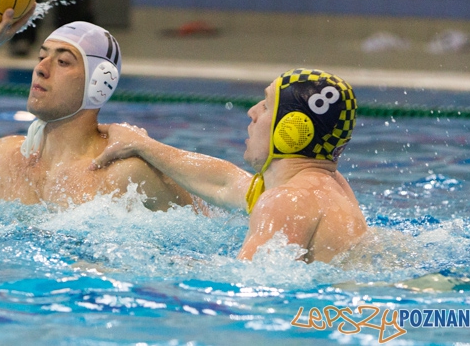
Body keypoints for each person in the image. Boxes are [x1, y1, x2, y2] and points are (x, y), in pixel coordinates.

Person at [0, 8, 195, 210]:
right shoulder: (6, 162)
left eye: (62, 61)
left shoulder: (125, 173)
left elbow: (205, 224)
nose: (41, 68)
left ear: (99, 83)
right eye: (41, 57)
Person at [90, 69, 368, 263]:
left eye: (266, 105)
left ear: (292, 131)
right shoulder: (327, 187)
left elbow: (250, 286)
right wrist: (142, 144)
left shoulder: (286, 200)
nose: (252, 111)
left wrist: (157, 264)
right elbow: (225, 182)